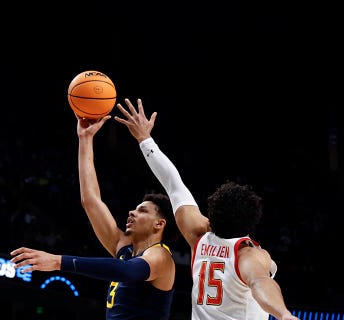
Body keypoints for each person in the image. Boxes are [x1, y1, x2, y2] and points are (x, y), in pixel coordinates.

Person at [114, 97, 299, 320]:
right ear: (252, 221)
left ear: (211, 216)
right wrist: (284, 314)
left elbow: (173, 183)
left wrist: (145, 139)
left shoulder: (198, 235)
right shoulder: (248, 254)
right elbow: (260, 282)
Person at [11, 115, 179, 320]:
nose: (132, 212)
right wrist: (85, 139)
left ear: (159, 224)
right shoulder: (124, 247)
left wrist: (58, 261)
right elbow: (90, 200)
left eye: (142, 210)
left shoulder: (161, 256)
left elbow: (126, 271)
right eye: (135, 208)